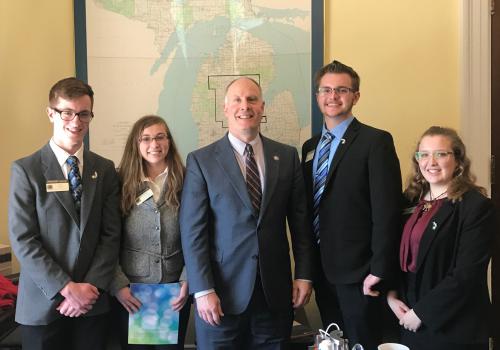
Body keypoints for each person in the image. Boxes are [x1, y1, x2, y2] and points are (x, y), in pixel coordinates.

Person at [179, 77, 314, 349]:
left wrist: (304, 274)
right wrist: (203, 290)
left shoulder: (286, 156)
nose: (245, 106)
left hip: (274, 295)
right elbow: (193, 232)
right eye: (238, 100)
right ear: (225, 108)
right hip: (220, 298)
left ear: (262, 106)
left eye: (252, 99)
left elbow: (301, 223)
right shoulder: (201, 160)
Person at [8, 77, 121, 350]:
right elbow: (24, 239)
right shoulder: (27, 170)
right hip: (42, 304)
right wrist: (66, 288)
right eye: (67, 112)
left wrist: (89, 288)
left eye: (84, 114)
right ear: (51, 113)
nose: (76, 121)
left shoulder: (104, 169)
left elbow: (111, 235)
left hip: (91, 304)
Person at [301, 60, 402, 348]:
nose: (333, 96)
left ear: (356, 96)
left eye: (342, 90)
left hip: (361, 273)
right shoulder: (310, 147)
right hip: (323, 271)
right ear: (317, 95)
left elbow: (387, 211)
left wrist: (380, 269)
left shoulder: (375, 142)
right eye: (326, 90)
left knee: (363, 342)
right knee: (334, 342)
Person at [387, 126, 496, 350]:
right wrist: (391, 295)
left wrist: (422, 312)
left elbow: (467, 274)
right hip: (408, 321)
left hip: (454, 328)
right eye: (424, 154)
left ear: (458, 160)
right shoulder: (409, 201)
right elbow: (391, 252)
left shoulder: (476, 207)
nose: (431, 161)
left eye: (441, 154)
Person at [109, 115, 190, 349]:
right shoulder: (119, 180)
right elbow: (108, 239)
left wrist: (187, 279)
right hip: (131, 294)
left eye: (159, 137)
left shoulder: (188, 178)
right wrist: (118, 286)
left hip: (174, 292)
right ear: (135, 144)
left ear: (169, 141)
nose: (154, 144)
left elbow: (198, 236)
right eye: (145, 138)